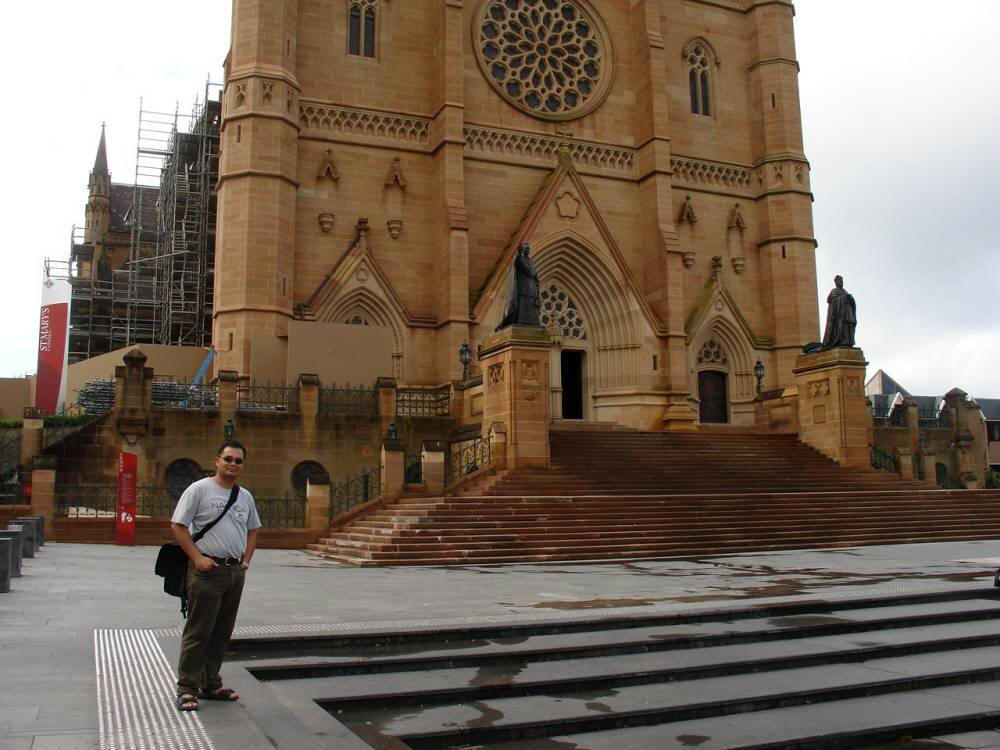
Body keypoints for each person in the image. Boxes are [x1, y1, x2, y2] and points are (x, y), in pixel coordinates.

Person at [170, 440, 261, 711]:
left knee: (222, 632)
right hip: (207, 571)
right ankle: (187, 687)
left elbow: (253, 529)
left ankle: (211, 682)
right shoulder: (199, 489)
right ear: (217, 460)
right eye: (228, 459)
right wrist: (198, 558)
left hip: (234, 572)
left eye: (238, 461)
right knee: (199, 630)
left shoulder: (244, 496)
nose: (233, 464)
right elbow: (178, 525)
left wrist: (246, 560)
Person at [496, 241, 541, 330]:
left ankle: (531, 321)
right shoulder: (520, 259)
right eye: (526, 248)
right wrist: (533, 273)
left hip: (531, 286)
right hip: (523, 286)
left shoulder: (529, 260)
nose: (528, 249)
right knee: (523, 302)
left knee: (530, 303)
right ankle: (522, 320)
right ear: (521, 249)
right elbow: (531, 272)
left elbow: (534, 273)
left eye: (528, 248)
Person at [821, 274, 857, 349]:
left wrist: (851, 299)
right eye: (840, 281)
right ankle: (841, 341)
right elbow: (832, 301)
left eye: (842, 281)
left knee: (848, 325)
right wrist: (843, 298)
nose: (841, 282)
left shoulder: (845, 291)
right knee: (842, 326)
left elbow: (851, 301)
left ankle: (849, 342)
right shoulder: (834, 291)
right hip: (839, 314)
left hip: (847, 312)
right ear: (836, 282)